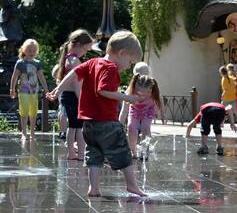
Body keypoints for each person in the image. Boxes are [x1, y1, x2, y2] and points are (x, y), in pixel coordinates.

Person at [47, 30, 145, 198]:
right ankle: (132, 185)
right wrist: (126, 97)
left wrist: (58, 89)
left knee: (94, 155)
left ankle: (94, 188)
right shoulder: (110, 69)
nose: (128, 66)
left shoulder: (93, 62)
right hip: (107, 122)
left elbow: (73, 73)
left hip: (89, 124)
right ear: (121, 53)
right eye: (129, 61)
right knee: (123, 152)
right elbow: (103, 90)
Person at [55, 29, 95, 161]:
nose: (86, 52)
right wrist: (82, 99)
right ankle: (82, 154)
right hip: (75, 97)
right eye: (86, 49)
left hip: (67, 96)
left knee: (72, 126)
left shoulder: (68, 58)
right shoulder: (74, 61)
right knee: (80, 127)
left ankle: (71, 153)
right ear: (78, 45)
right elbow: (78, 84)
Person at [9, 38, 49, 141]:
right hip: (23, 91)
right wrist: (12, 89)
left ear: (37, 51)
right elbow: (14, 76)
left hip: (34, 91)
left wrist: (46, 89)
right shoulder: (20, 63)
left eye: (34, 50)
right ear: (24, 50)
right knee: (24, 110)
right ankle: (24, 133)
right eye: (29, 50)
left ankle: (32, 132)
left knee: (33, 111)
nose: (31, 52)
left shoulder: (37, 63)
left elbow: (41, 77)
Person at [118, 74, 164, 158]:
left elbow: (160, 102)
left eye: (144, 95)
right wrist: (119, 125)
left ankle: (144, 150)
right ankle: (133, 151)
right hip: (135, 110)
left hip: (148, 110)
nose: (140, 97)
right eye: (138, 94)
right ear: (134, 89)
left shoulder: (154, 94)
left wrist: (162, 114)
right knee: (131, 127)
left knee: (145, 127)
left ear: (150, 91)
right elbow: (124, 111)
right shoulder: (129, 93)